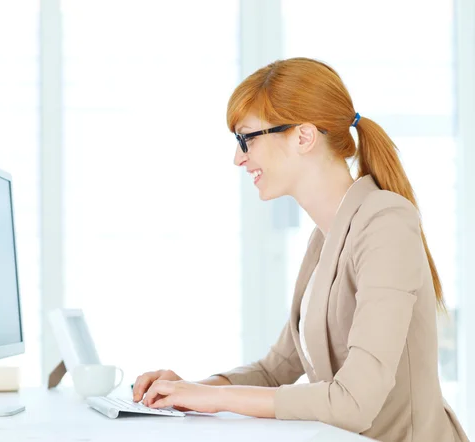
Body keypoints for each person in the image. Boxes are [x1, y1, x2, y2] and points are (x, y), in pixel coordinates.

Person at [132, 58, 469, 442]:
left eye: (248, 138)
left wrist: (216, 398)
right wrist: (191, 390)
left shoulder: (385, 222)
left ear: (303, 137)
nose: (239, 158)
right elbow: (277, 368)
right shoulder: (325, 236)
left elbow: (354, 402)